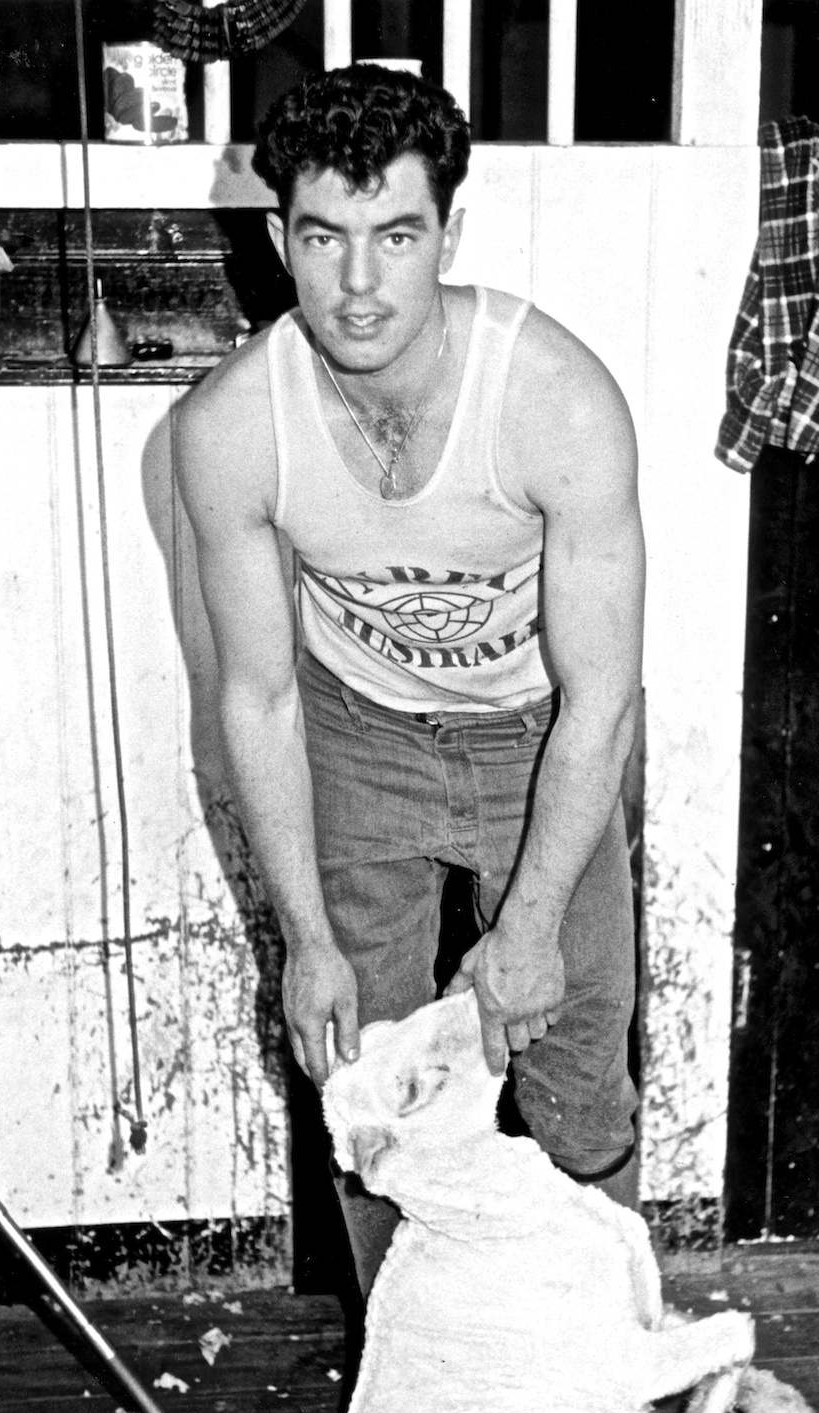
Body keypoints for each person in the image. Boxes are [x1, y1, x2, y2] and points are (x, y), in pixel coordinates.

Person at [174, 63, 646, 1295]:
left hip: (540, 731)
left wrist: (529, 923)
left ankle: (610, 1369)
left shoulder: (554, 400)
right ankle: (416, 1391)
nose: (360, 282)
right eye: (324, 238)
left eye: (397, 234)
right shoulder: (230, 427)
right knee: (362, 1074)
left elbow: (602, 699)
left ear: (449, 230)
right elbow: (257, 699)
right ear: (280, 239)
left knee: (573, 1073)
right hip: (354, 726)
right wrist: (305, 937)